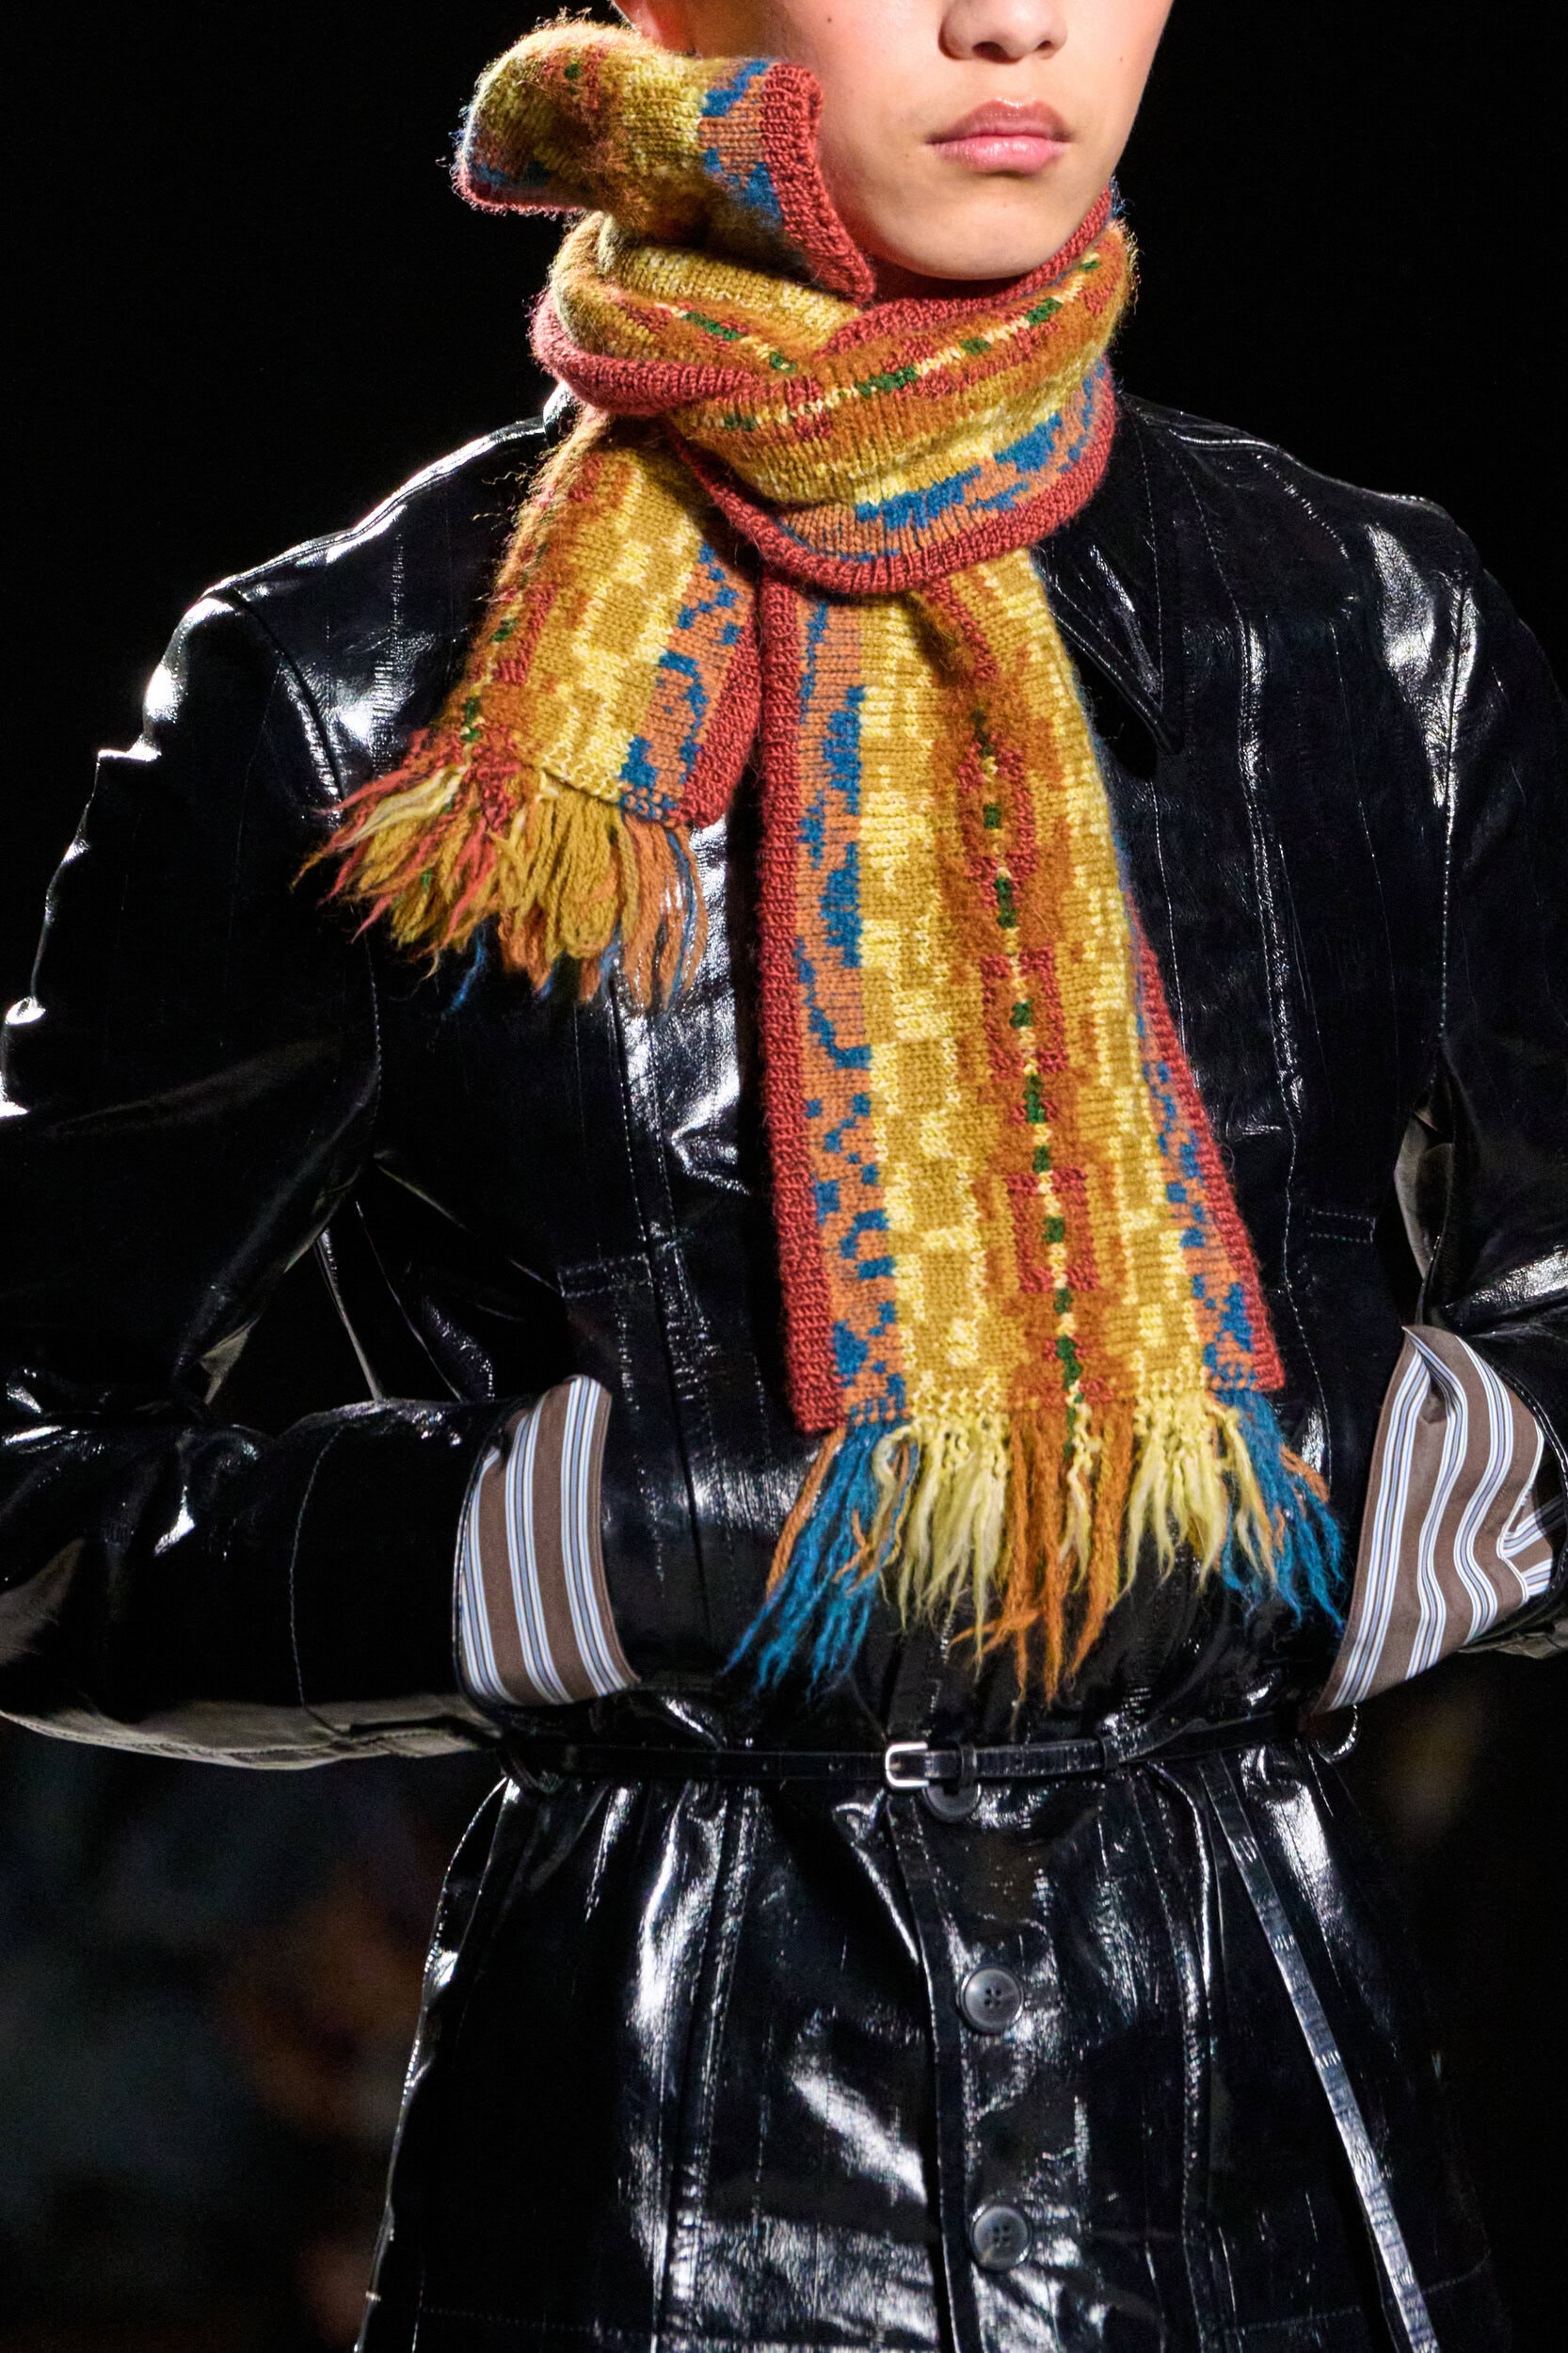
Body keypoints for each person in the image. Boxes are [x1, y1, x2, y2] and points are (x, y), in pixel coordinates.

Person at [1, 2, 1563, 2346]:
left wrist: (1372, 1483)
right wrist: (557, 1540)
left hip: (1269, 2162)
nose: (1008, 19)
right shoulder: (363, 684)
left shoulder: (1371, 629)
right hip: (661, 2181)